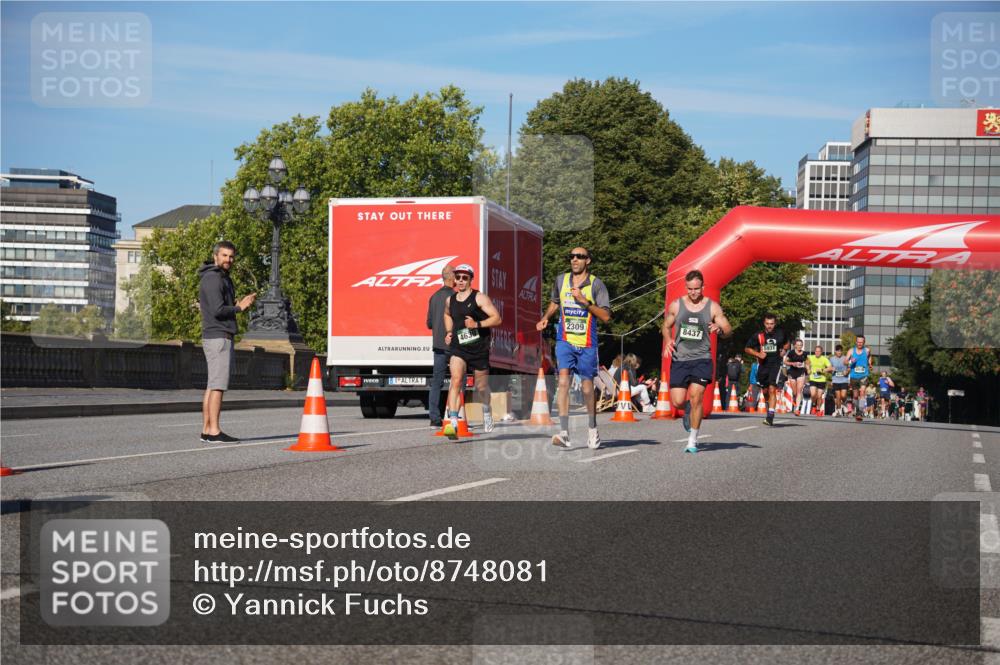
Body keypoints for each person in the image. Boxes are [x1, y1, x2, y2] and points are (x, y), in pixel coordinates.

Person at [536, 247, 612, 450]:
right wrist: (545, 318)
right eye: (572, 256)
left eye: (580, 257)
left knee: (588, 388)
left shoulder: (596, 284)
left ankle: (592, 429)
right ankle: (564, 433)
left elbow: (605, 316)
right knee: (563, 381)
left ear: (588, 261)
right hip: (565, 341)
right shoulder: (561, 280)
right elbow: (554, 303)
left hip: (587, 343)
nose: (575, 260)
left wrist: (584, 302)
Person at [662, 270, 733, 453]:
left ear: (703, 287)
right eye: (690, 289)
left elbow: (728, 330)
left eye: (697, 288)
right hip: (680, 359)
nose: (693, 292)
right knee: (677, 402)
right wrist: (669, 339)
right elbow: (666, 326)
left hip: (702, 359)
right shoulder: (677, 305)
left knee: (696, 397)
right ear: (686, 287)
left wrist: (719, 328)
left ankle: (692, 440)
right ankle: (687, 409)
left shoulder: (712, 307)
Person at [198, 241, 256, 443]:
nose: (228, 260)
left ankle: (207, 429)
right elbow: (217, 310)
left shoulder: (217, 277)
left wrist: (235, 305)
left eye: (231, 256)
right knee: (218, 386)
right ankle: (214, 430)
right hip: (219, 337)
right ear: (215, 256)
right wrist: (239, 308)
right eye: (224, 256)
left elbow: (220, 307)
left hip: (216, 336)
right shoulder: (214, 278)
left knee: (212, 385)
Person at [442, 264, 501, 440]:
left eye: (464, 278)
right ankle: (453, 423)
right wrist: (449, 331)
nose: (460, 280)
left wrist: (477, 325)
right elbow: (446, 314)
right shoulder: (450, 300)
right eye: (458, 277)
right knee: (456, 380)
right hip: (458, 348)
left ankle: (487, 410)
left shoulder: (480, 298)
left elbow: (497, 318)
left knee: (481, 387)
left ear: (470, 279)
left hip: (478, 348)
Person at [744, 314, 789, 426]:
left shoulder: (780, 333)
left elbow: (787, 342)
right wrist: (758, 353)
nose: (769, 326)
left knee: (772, 388)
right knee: (765, 391)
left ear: (775, 324)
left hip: (776, 364)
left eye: (772, 324)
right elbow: (747, 348)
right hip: (763, 365)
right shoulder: (759, 336)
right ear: (764, 324)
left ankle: (770, 415)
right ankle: (770, 408)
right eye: (767, 324)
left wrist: (784, 349)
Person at [426, 264, 456, 428]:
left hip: (438, 345)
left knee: (436, 382)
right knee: (458, 381)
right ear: (451, 278)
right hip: (454, 346)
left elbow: (429, 323)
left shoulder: (434, 297)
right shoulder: (456, 297)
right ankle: (456, 416)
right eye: (457, 275)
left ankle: (434, 418)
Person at [846, 335, 872, 422]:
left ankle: (860, 412)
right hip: (854, 376)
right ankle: (857, 410)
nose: (860, 343)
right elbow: (845, 361)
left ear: (864, 342)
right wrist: (850, 361)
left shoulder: (867, 350)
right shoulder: (851, 351)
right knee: (855, 396)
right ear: (856, 342)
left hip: (864, 375)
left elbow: (869, 357)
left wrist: (870, 363)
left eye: (861, 342)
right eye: (858, 342)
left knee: (862, 392)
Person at [804, 345, 832, 416]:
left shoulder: (824, 359)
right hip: (813, 379)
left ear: (821, 352)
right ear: (814, 351)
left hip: (822, 380)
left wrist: (822, 370)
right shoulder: (811, 357)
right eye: (816, 351)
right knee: (813, 394)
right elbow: (806, 363)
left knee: (819, 396)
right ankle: (813, 405)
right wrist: (808, 368)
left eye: (819, 351)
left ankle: (818, 409)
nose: (817, 352)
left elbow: (830, 368)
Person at [783, 339, 808, 415]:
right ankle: (795, 402)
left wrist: (808, 368)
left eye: (801, 345)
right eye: (798, 345)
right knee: (795, 392)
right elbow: (785, 362)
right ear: (795, 345)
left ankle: (797, 409)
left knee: (799, 391)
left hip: (801, 372)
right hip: (792, 372)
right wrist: (792, 363)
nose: (799, 346)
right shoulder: (791, 352)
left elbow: (807, 362)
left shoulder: (804, 353)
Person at [829, 344, 850, 416]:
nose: (839, 352)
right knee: (838, 397)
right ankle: (838, 411)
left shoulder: (845, 358)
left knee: (843, 396)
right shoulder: (831, 359)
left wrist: (847, 371)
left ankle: (844, 405)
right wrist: (831, 369)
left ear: (842, 352)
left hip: (844, 379)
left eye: (840, 351)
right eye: (837, 351)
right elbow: (829, 368)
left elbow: (850, 367)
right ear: (835, 351)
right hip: (835, 380)